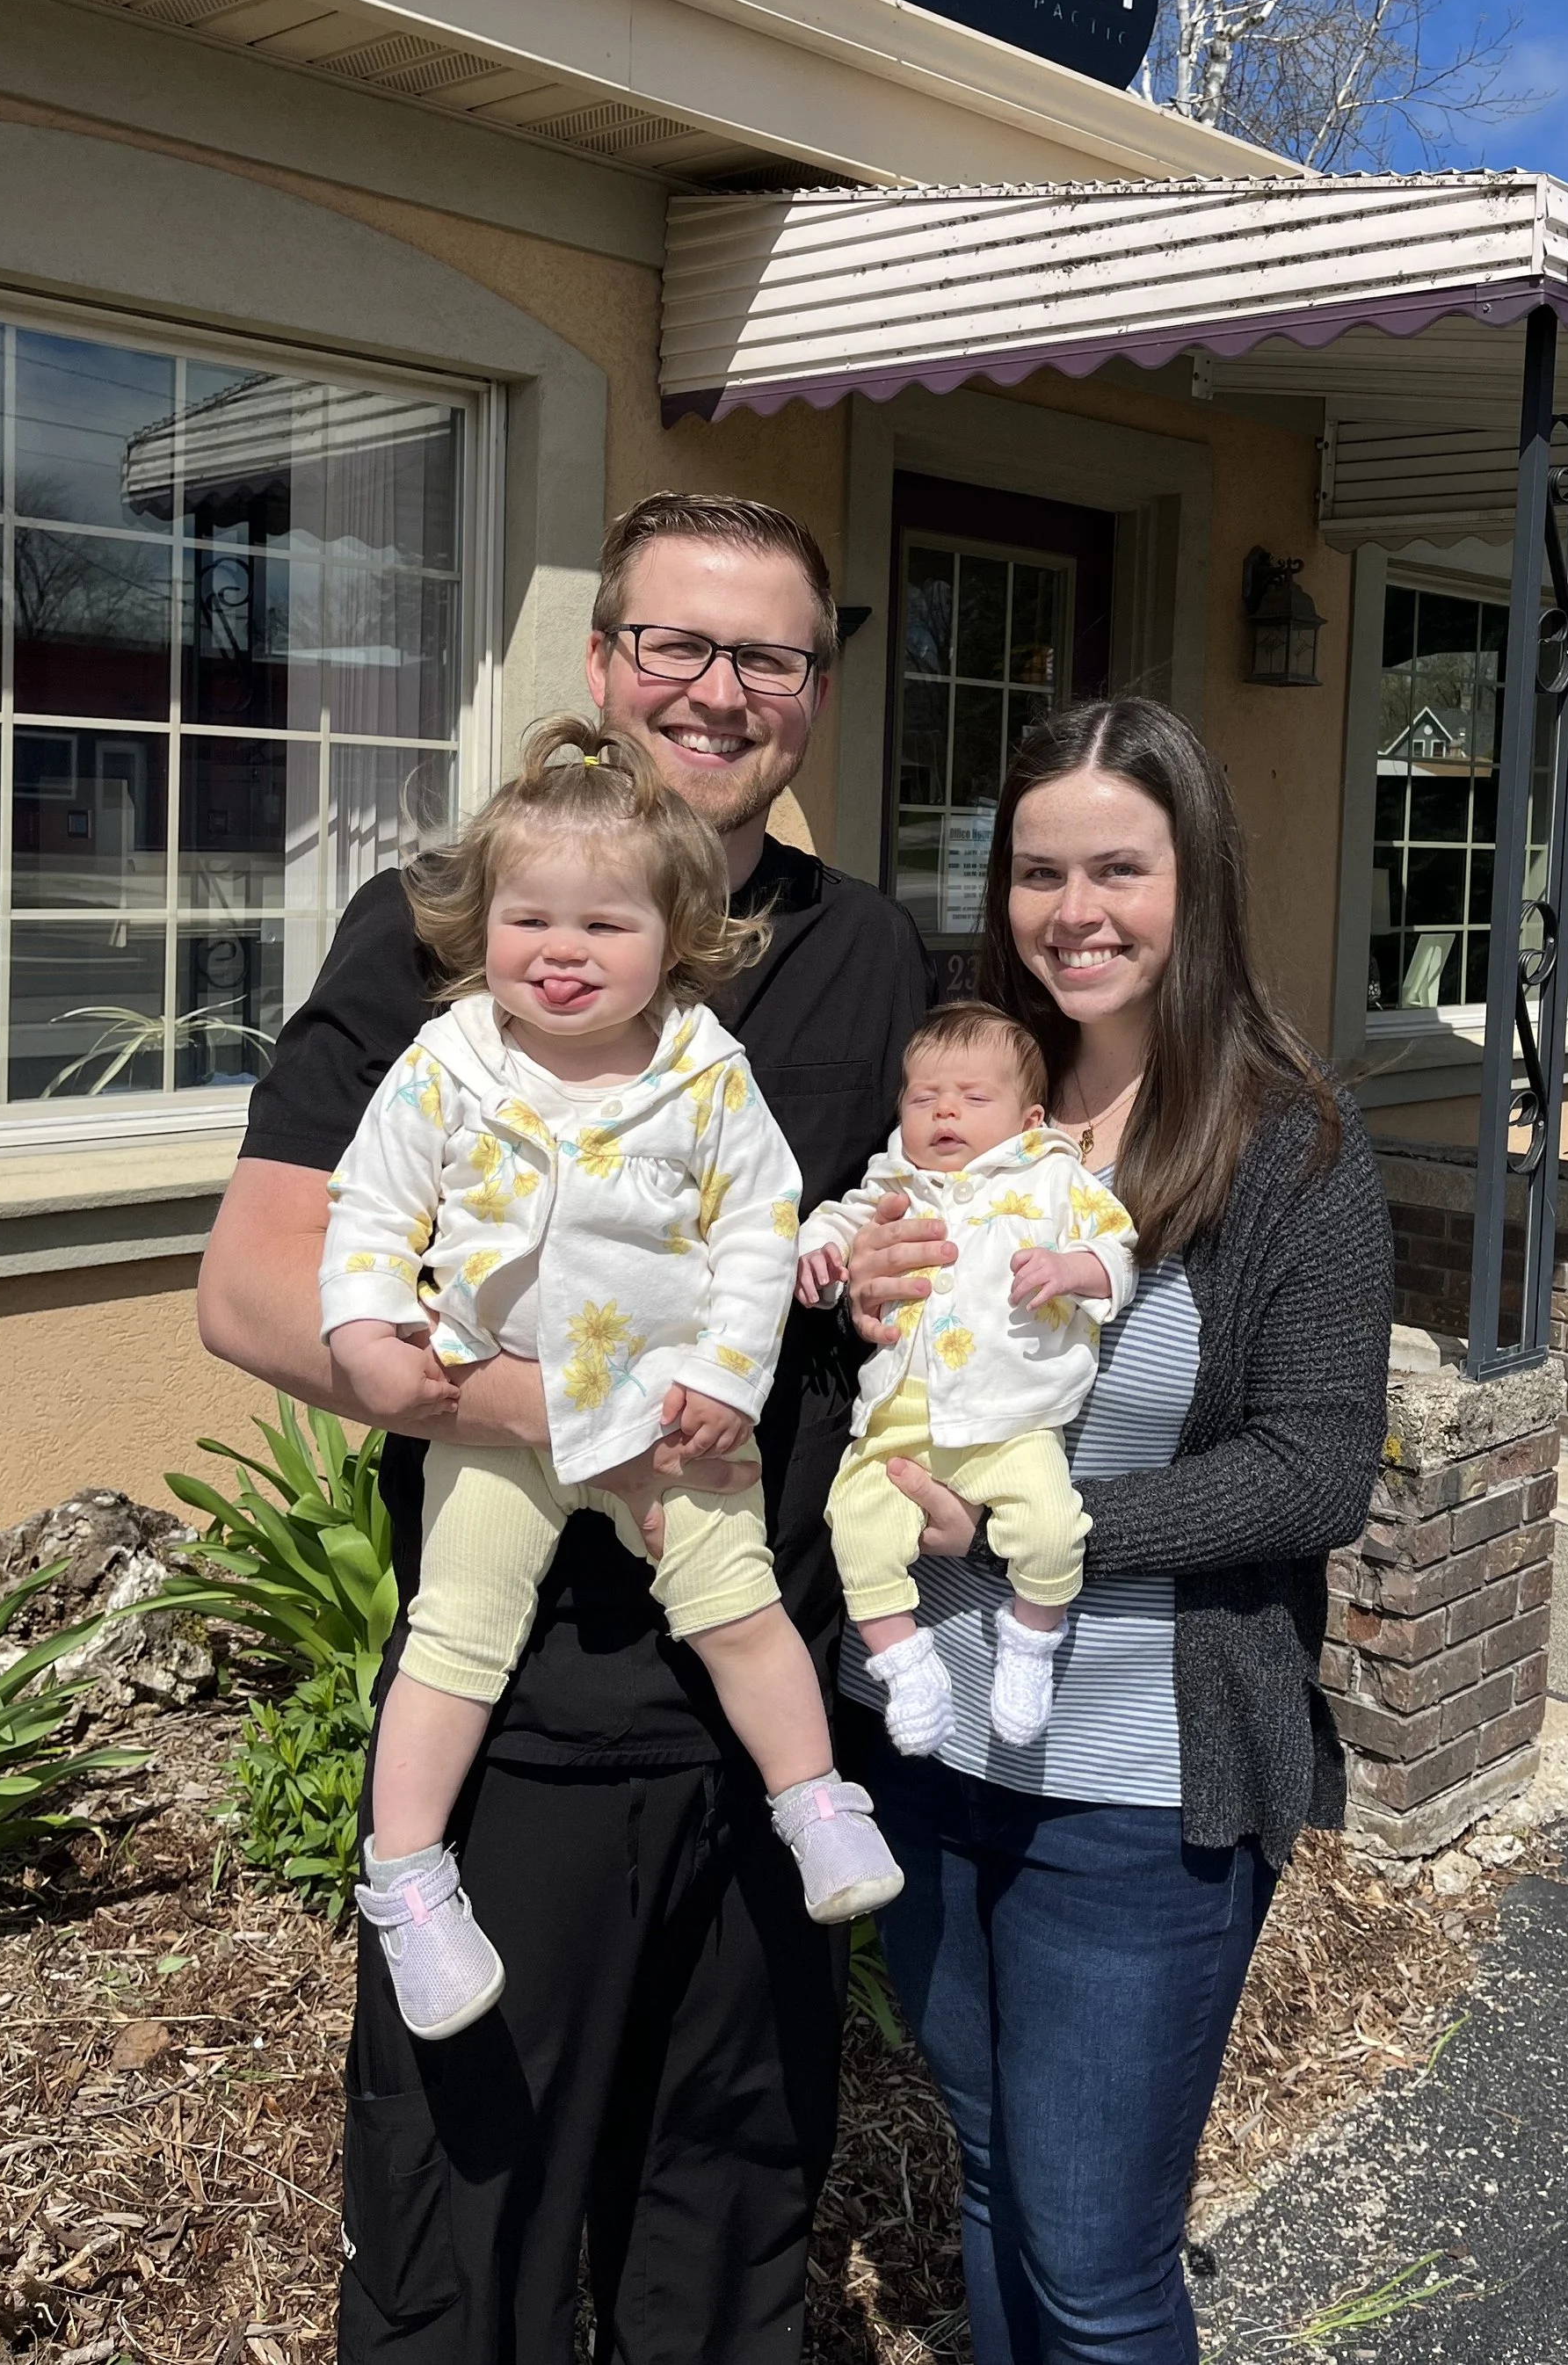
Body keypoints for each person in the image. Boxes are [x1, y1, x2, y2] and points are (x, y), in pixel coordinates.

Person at [197, 492, 931, 2365]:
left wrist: (915, 1267)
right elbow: (260, 1283)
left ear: (814, 695)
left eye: (766, 655)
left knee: (730, 2218)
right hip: (520, 1708)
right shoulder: (449, 925)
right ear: (602, 665)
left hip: (765, 1698)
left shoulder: (872, 956)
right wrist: (574, 1413)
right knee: (471, 2241)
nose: (717, 689)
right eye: (674, 643)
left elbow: (874, 1248)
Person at [835, 697, 1394, 2365]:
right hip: (925, 1748)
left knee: (1094, 2259)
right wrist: (852, 1299)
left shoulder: (1291, 1146)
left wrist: (1039, 1533)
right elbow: (870, 1371)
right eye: (1039, 870)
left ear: (1193, 880)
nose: (1075, 908)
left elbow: (1313, 1471)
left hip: (1136, 1790)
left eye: (1118, 868)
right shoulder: (954, 1121)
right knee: (993, 2181)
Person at [325, 716, 901, 2041]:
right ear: (484, 928)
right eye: (530, 920)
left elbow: (758, 1234)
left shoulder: (703, 1075)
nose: (563, 953)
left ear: (677, 938)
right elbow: (368, 1209)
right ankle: (408, 1880)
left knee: (738, 1604)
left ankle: (811, 1799)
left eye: (605, 926)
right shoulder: (450, 1063)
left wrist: (725, 1376)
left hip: (670, 1423)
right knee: (456, 1636)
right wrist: (365, 1327)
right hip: (492, 1410)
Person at [798, 1002, 1136, 1755]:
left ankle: (1031, 1643)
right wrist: (820, 1258)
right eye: (924, 1098)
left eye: (974, 1098)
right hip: (898, 1421)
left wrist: (1069, 1267)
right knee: (855, 1528)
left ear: (1029, 1115)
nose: (945, 1110)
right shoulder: (895, 1180)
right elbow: (841, 1225)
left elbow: (1119, 1251)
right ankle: (904, 1663)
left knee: (1052, 1528)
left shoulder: (1053, 1176)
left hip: (1010, 1418)